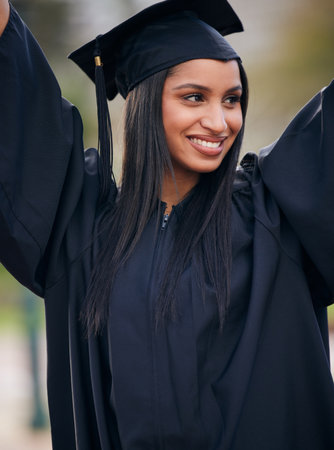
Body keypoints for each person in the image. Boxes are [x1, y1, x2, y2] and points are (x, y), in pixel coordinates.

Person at [0, 0, 333, 449]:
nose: (219, 122)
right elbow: (20, 105)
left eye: (232, 100)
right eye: (194, 97)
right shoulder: (81, 230)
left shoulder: (276, 216)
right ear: (143, 104)